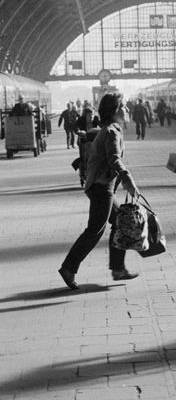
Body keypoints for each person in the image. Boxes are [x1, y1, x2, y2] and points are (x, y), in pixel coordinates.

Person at [58, 93, 141, 290]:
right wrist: (129, 181)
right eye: (124, 107)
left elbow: (97, 135)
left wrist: (86, 135)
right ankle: (69, 268)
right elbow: (114, 158)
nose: (127, 110)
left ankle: (118, 268)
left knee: (118, 221)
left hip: (100, 185)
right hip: (101, 187)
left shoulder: (110, 129)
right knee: (95, 229)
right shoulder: (112, 131)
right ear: (115, 111)